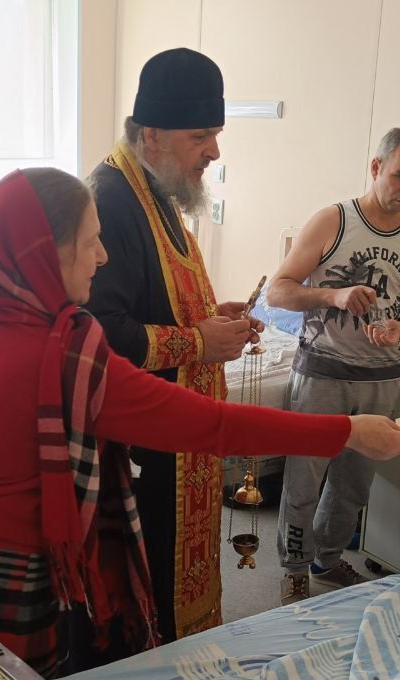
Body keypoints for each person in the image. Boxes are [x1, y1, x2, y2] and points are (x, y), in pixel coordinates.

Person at [0, 167, 400, 680]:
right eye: (91, 242)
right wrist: (347, 430)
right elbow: (213, 426)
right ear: (48, 253)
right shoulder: (66, 358)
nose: (102, 257)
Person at [83, 47, 265, 643]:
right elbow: (98, 330)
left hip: (175, 434)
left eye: (215, 135)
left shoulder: (154, 188)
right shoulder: (111, 200)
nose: (214, 152)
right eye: (201, 137)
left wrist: (211, 318)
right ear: (153, 135)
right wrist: (197, 342)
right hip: (141, 441)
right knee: (151, 581)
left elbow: (155, 298)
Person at [267, 128, 400, 603]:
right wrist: (333, 295)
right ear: (376, 167)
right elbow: (277, 290)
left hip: (379, 378)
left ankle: (326, 560)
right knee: (304, 481)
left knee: (352, 486)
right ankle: (294, 569)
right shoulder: (333, 221)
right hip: (322, 371)